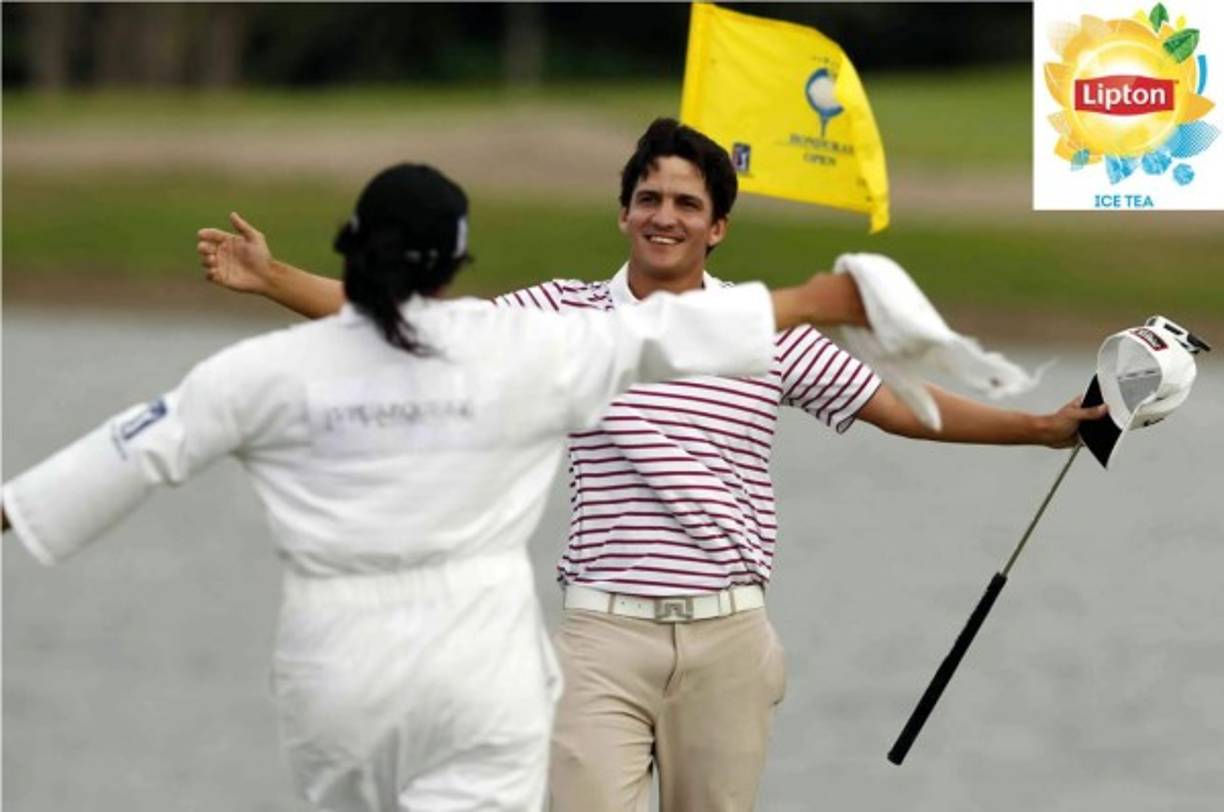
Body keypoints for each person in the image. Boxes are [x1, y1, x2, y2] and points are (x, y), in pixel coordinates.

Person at [195, 122, 1104, 812]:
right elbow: (427, 330)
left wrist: (1039, 428)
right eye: (649, 198)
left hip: (728, 639)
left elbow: (900, 408)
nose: (665, 215)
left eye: (687, 204)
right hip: (603, 638)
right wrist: (274, 280)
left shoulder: (761, 327)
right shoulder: (563, 315)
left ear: (718, 228)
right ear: (624, 211)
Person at [2, 162, 874, 812]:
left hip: (335, 670)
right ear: (456, 263)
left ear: (353, 248)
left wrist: (271, 281)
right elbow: (665, 337)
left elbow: (112, 461)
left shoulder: (261, 372)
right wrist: (816, 298)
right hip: (477, 670)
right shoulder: (518, 346)